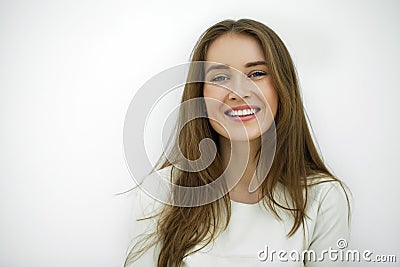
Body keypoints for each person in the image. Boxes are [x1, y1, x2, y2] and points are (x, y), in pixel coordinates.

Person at [125, 18, 351, 267]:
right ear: (199, 94)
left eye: (256, 74)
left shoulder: (323, 197)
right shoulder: (161, 193)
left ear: (283, 87)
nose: (239, 92)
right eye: (220, 77)